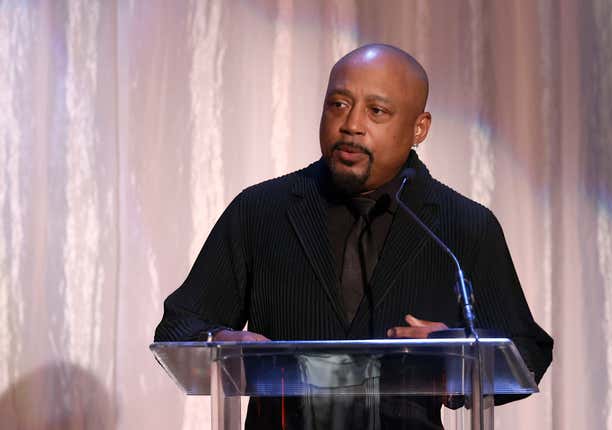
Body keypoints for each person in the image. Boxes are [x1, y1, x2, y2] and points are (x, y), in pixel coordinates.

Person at [154, 44, 553, 429]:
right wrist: (221, 341)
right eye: (338, 104)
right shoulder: (261, 211)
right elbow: (180, 325)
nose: (351, 125)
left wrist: (457, 355)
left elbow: (528, 349)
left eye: (376, 111)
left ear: (419, 127)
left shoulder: (462, 226)